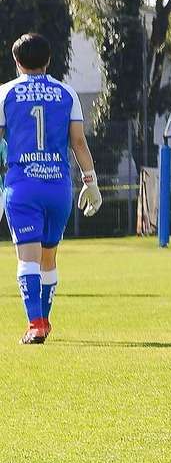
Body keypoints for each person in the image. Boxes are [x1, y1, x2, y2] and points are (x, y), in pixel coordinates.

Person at [4, 33, 100, 344]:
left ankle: (36, 325)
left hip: (22, 187)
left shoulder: (5, 94)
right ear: (48, 61)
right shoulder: (66, 93)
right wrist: (91, 182)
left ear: (17, 62)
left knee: (28, 259)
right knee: (49, 258)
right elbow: (79, 142)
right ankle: (44, 320)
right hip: (58, 187)